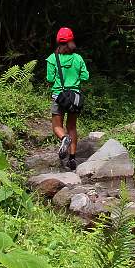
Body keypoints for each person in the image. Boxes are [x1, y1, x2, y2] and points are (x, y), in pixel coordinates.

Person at [46, 27, 89, 170]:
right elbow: (85, 77)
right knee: (72, 126)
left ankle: (64, 138)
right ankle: (72, 159)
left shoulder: (53, 58)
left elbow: (50, 78)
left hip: (59, 96)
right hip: (74, 97)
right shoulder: (78, 58)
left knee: (57, 126)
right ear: (71, 41)